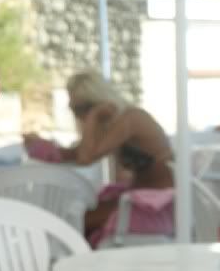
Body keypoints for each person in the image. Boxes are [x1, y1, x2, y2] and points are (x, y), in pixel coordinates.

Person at [24, 69, 174, 245]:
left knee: (72, 222)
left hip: (158, 204)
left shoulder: (131, 118)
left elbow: (85, 158)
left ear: (99, 100)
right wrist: (41, 145)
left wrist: (93, 117)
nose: (80, 116)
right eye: (74, 110)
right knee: (71, 218)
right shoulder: (114, 124)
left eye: (83, 109)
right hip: (137, 197)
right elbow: (76, 153)